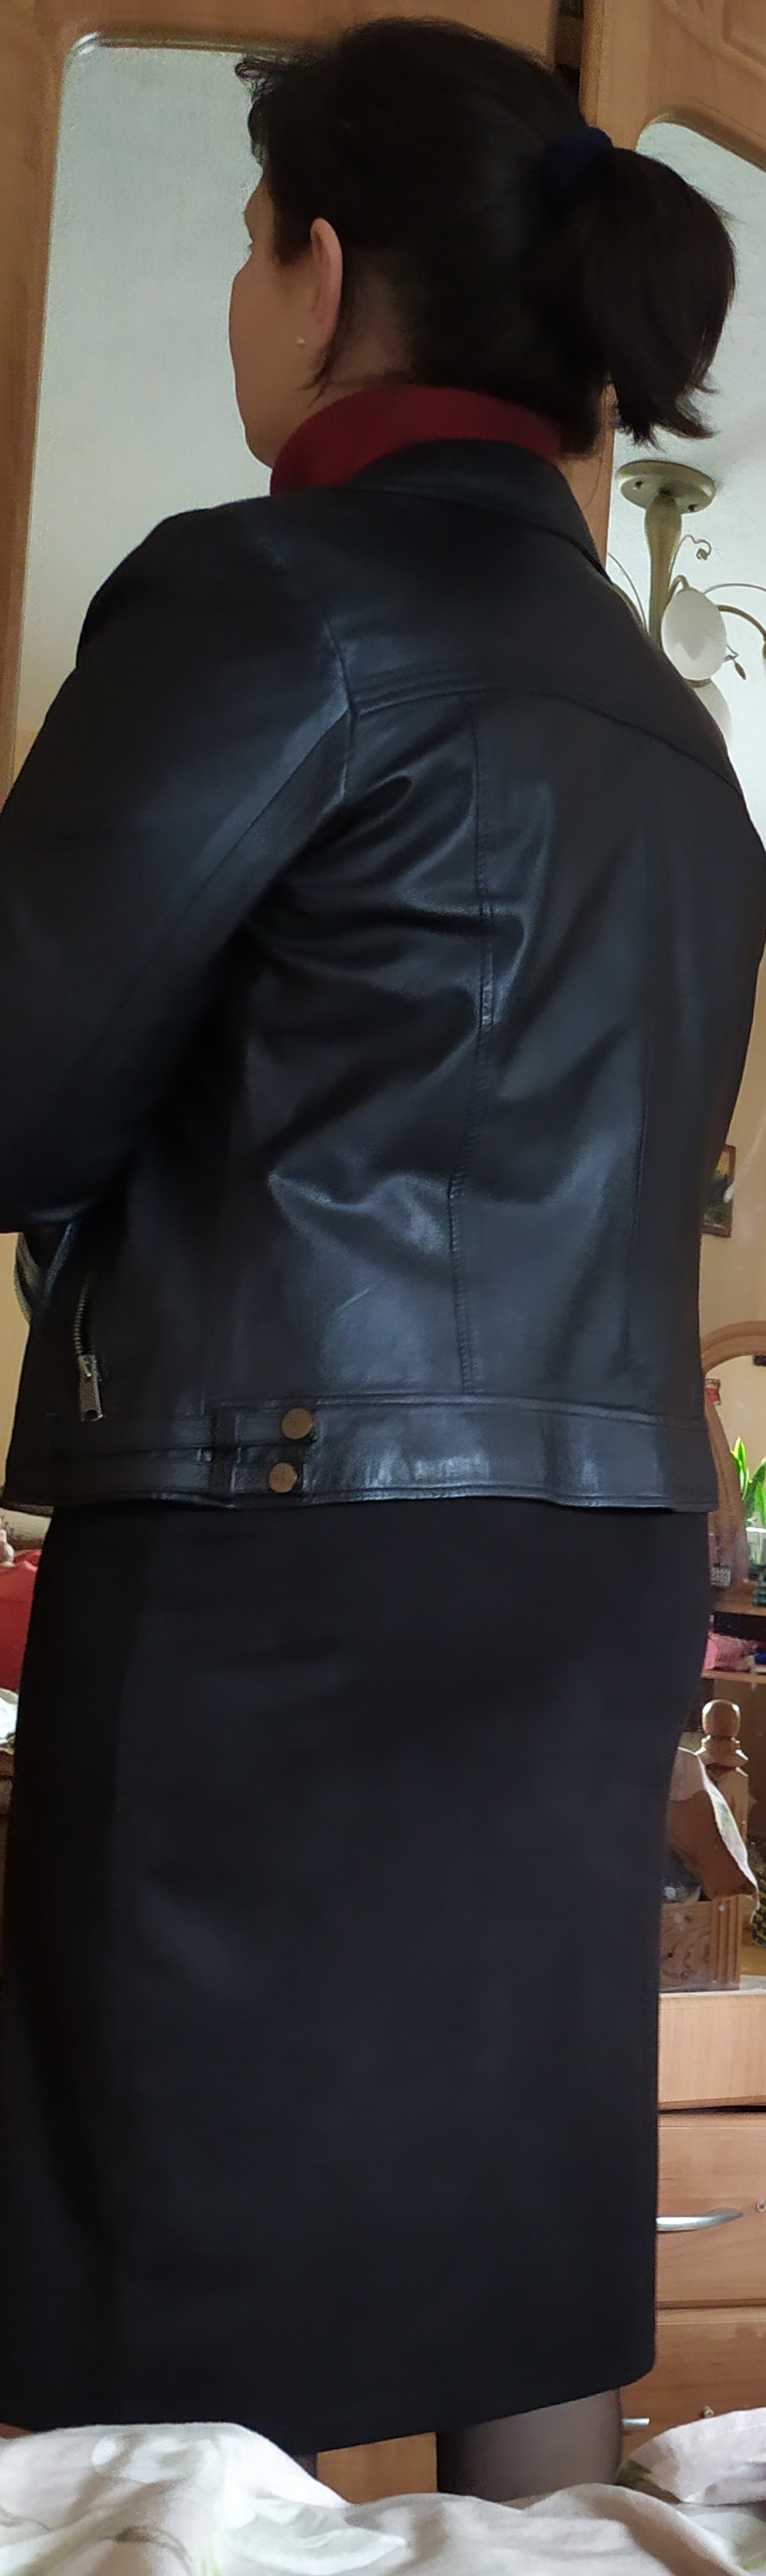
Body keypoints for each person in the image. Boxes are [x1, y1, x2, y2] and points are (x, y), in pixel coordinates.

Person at [0, 15, 762, 2499]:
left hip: (288, 1543)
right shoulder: (665, 720)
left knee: (142, 2237)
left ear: (322, 274)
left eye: (249, 249)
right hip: (598, 1551)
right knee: (516, 2192)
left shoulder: (265, 597)